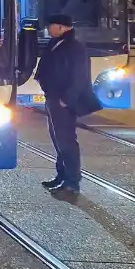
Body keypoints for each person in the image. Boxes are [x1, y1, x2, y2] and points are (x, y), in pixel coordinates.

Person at [34, 14, 97, 196]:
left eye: (51, 26)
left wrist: (66, 100)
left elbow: (80, 77)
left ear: (62, 27)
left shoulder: (75, 47)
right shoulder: (56, 43)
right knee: (58, 139)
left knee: (66, 141)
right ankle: (61, 176)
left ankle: (72, 181)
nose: (48, 29)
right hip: (53, 97)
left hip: (63, 102)